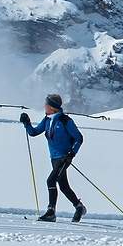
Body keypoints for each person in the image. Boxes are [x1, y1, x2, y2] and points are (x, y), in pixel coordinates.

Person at [20, 94, 86, 222]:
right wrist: (26, 123)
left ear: (52, 107)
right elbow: (34, 132)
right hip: (54, 158)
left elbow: (79, 138)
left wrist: (72, 154)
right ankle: (79, 207)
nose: (44, 106)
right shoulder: (47, 120)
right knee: (63, 186)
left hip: (64, 158)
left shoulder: (65, 121)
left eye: (46, 104)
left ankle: (51, 212)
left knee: (51, 181)